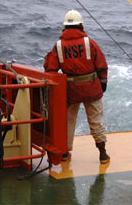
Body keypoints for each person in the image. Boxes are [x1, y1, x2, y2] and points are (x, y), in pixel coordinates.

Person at [44, 10, 110, 164]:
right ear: (81, 25)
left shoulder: (58, 46)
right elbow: (101, 64)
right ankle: (102, 154)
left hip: (71, 90)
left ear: (65, 26)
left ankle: (65, 153)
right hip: (92, 89)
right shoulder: (89, 43)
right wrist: (103, 83)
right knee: (96, 121)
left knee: (68, 122)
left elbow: (50, 69)